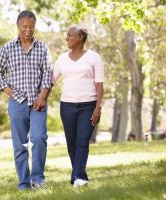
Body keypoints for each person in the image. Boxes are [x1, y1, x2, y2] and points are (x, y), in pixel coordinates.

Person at [0, 10, 52, 190]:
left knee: (39, 137)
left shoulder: (42, 47)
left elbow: (48, 73)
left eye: (31, 26)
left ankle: (38, 179)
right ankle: (24, 183)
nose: (28, 30)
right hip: (16, 103)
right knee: (20, 145)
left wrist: (42, 96)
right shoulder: (7, 48)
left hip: (37, 102)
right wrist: (9, 91)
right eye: (24, 26)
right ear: (18, 26)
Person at [51, 25, 104, 187]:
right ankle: (81, 177)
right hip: (67, 106)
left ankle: (77, 178)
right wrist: (40, 97)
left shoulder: (94, 57)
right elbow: (51, 81)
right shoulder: (62, 58)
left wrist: (98, 107)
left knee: (82, 142)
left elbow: (99, 85)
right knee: (71, 144)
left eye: (70, 35)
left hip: (88, 105)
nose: (67, 38)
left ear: (80, 38)